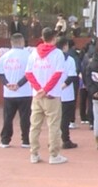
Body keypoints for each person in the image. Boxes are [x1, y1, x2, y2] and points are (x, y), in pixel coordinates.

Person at [24, 27, 68, 165]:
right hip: (52, 95)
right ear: (54, 38)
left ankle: (34, 153)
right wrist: (46, 90)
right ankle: (54, 154)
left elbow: (28, 73)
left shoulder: (33, 53)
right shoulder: (57, 54)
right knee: (54, 126)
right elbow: (58, 74)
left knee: (35, 126)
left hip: (37, 96)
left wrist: (39, 89)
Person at [0, 33, 32, 148]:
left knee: (8, 118)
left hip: (9, 93)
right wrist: (19, 84)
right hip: (25, 92)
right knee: (25, 118)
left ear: (11, 43)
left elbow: (0, 74)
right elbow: (29, 74)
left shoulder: (4, 57)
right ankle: (26, 140)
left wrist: (7, 84)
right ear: (22, 42)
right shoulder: (28, 56)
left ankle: (5, 140)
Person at [57, 37, 79, 149]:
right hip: (66, 93)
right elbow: (72, 76)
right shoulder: (69, 59)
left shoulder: (51, 58)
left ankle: (54, 139)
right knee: (65, 119)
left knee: (54, 118)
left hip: (53, 92)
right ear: (65, 46)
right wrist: (63, 85)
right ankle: (65, 140)